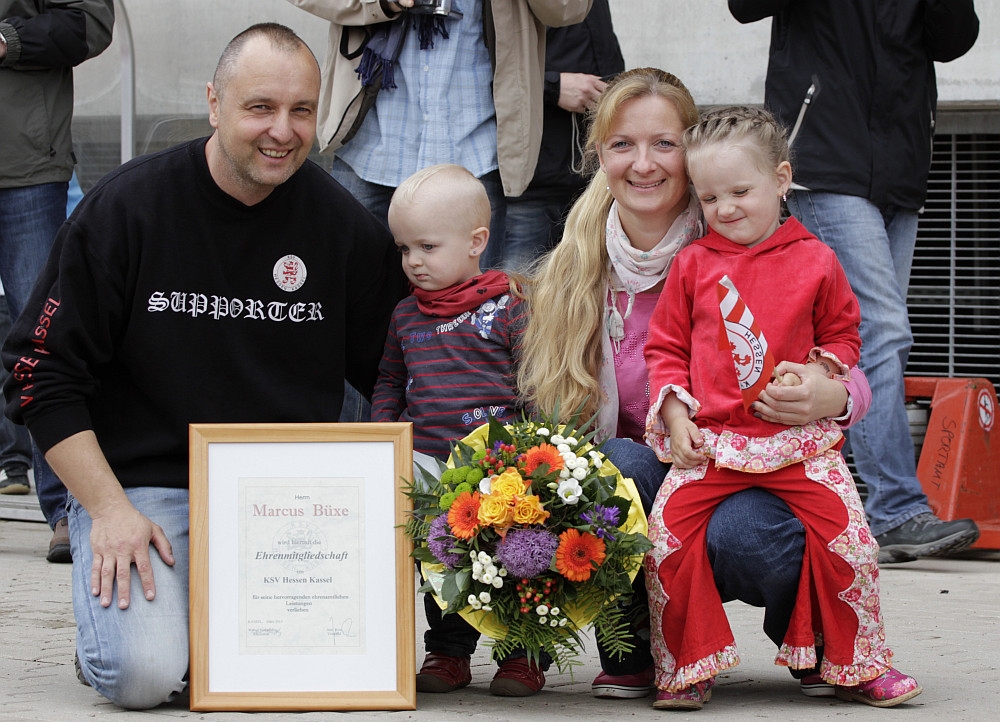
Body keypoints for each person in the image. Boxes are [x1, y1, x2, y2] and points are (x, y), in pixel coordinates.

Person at [1, 23, 405, 710]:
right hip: (146, 490)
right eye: (260, 108)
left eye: (301, 110)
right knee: (144, 675)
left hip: (289, 504)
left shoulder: (343, 229)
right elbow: (38, 369)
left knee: (335, 673)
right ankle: (121, 635)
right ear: (214, 102)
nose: (283, 130)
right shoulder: (128, 209)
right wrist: (107, 509)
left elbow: (395, 376)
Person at [517, 68, 873, 701]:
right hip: (661, 462)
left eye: (664, 143)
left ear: (695, 147)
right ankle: (636, 649)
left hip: (755, 457)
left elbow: (844, 342)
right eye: (622, 144)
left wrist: (832, 392)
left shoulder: (748, 235)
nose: (644, 163)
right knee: (613, 464)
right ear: (599, 154)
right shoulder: (576, 265)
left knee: (747, 534)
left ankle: (817, 640)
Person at [641, 105, 920, 710]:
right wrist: (676, 414)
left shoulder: (817, 258)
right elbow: (664, 350)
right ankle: (684, 666)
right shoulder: (691, 265)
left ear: (783, 179)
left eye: (741, 191)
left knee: (850, 541)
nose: (726, 209)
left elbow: (847, 337)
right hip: (712, 445)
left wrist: (822, 373)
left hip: (799, 444)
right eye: (710, 197)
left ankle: (859, 662)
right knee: (665, 539)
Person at [728, 0, 981, 564]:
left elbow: (955, 39)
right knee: (881, 329)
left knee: (851, 337)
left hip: (901, 164)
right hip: (824, 158)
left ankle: (836, 503)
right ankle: (894, 508)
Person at [371, 163, 545, 696]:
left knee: (515, 560)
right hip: (429, 467)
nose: (413, 262)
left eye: (426, 246)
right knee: (441, 562)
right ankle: (448, 652)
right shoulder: (406, 315)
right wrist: (383, 436)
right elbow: (389, 381)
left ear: (476, 242)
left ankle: (523, 655)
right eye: (403, 250)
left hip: (501, 468)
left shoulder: (510, 304)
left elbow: (533, 381)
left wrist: (539, 450)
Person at [286, 0, 592, 271]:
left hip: (474, 150)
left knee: (466, 322)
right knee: (350, 302)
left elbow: (570, 9)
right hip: (370, 147)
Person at [0, 0, 114, 563]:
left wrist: (5, 40)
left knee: (46, 343)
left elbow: (89, 25)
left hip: (25, 165)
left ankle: (67, 507)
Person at [501, 0, 624, 271]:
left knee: (587, 294)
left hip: (597, 176)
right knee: (515, 297)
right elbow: (480, 67)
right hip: (532, 180)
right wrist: (552, 85)